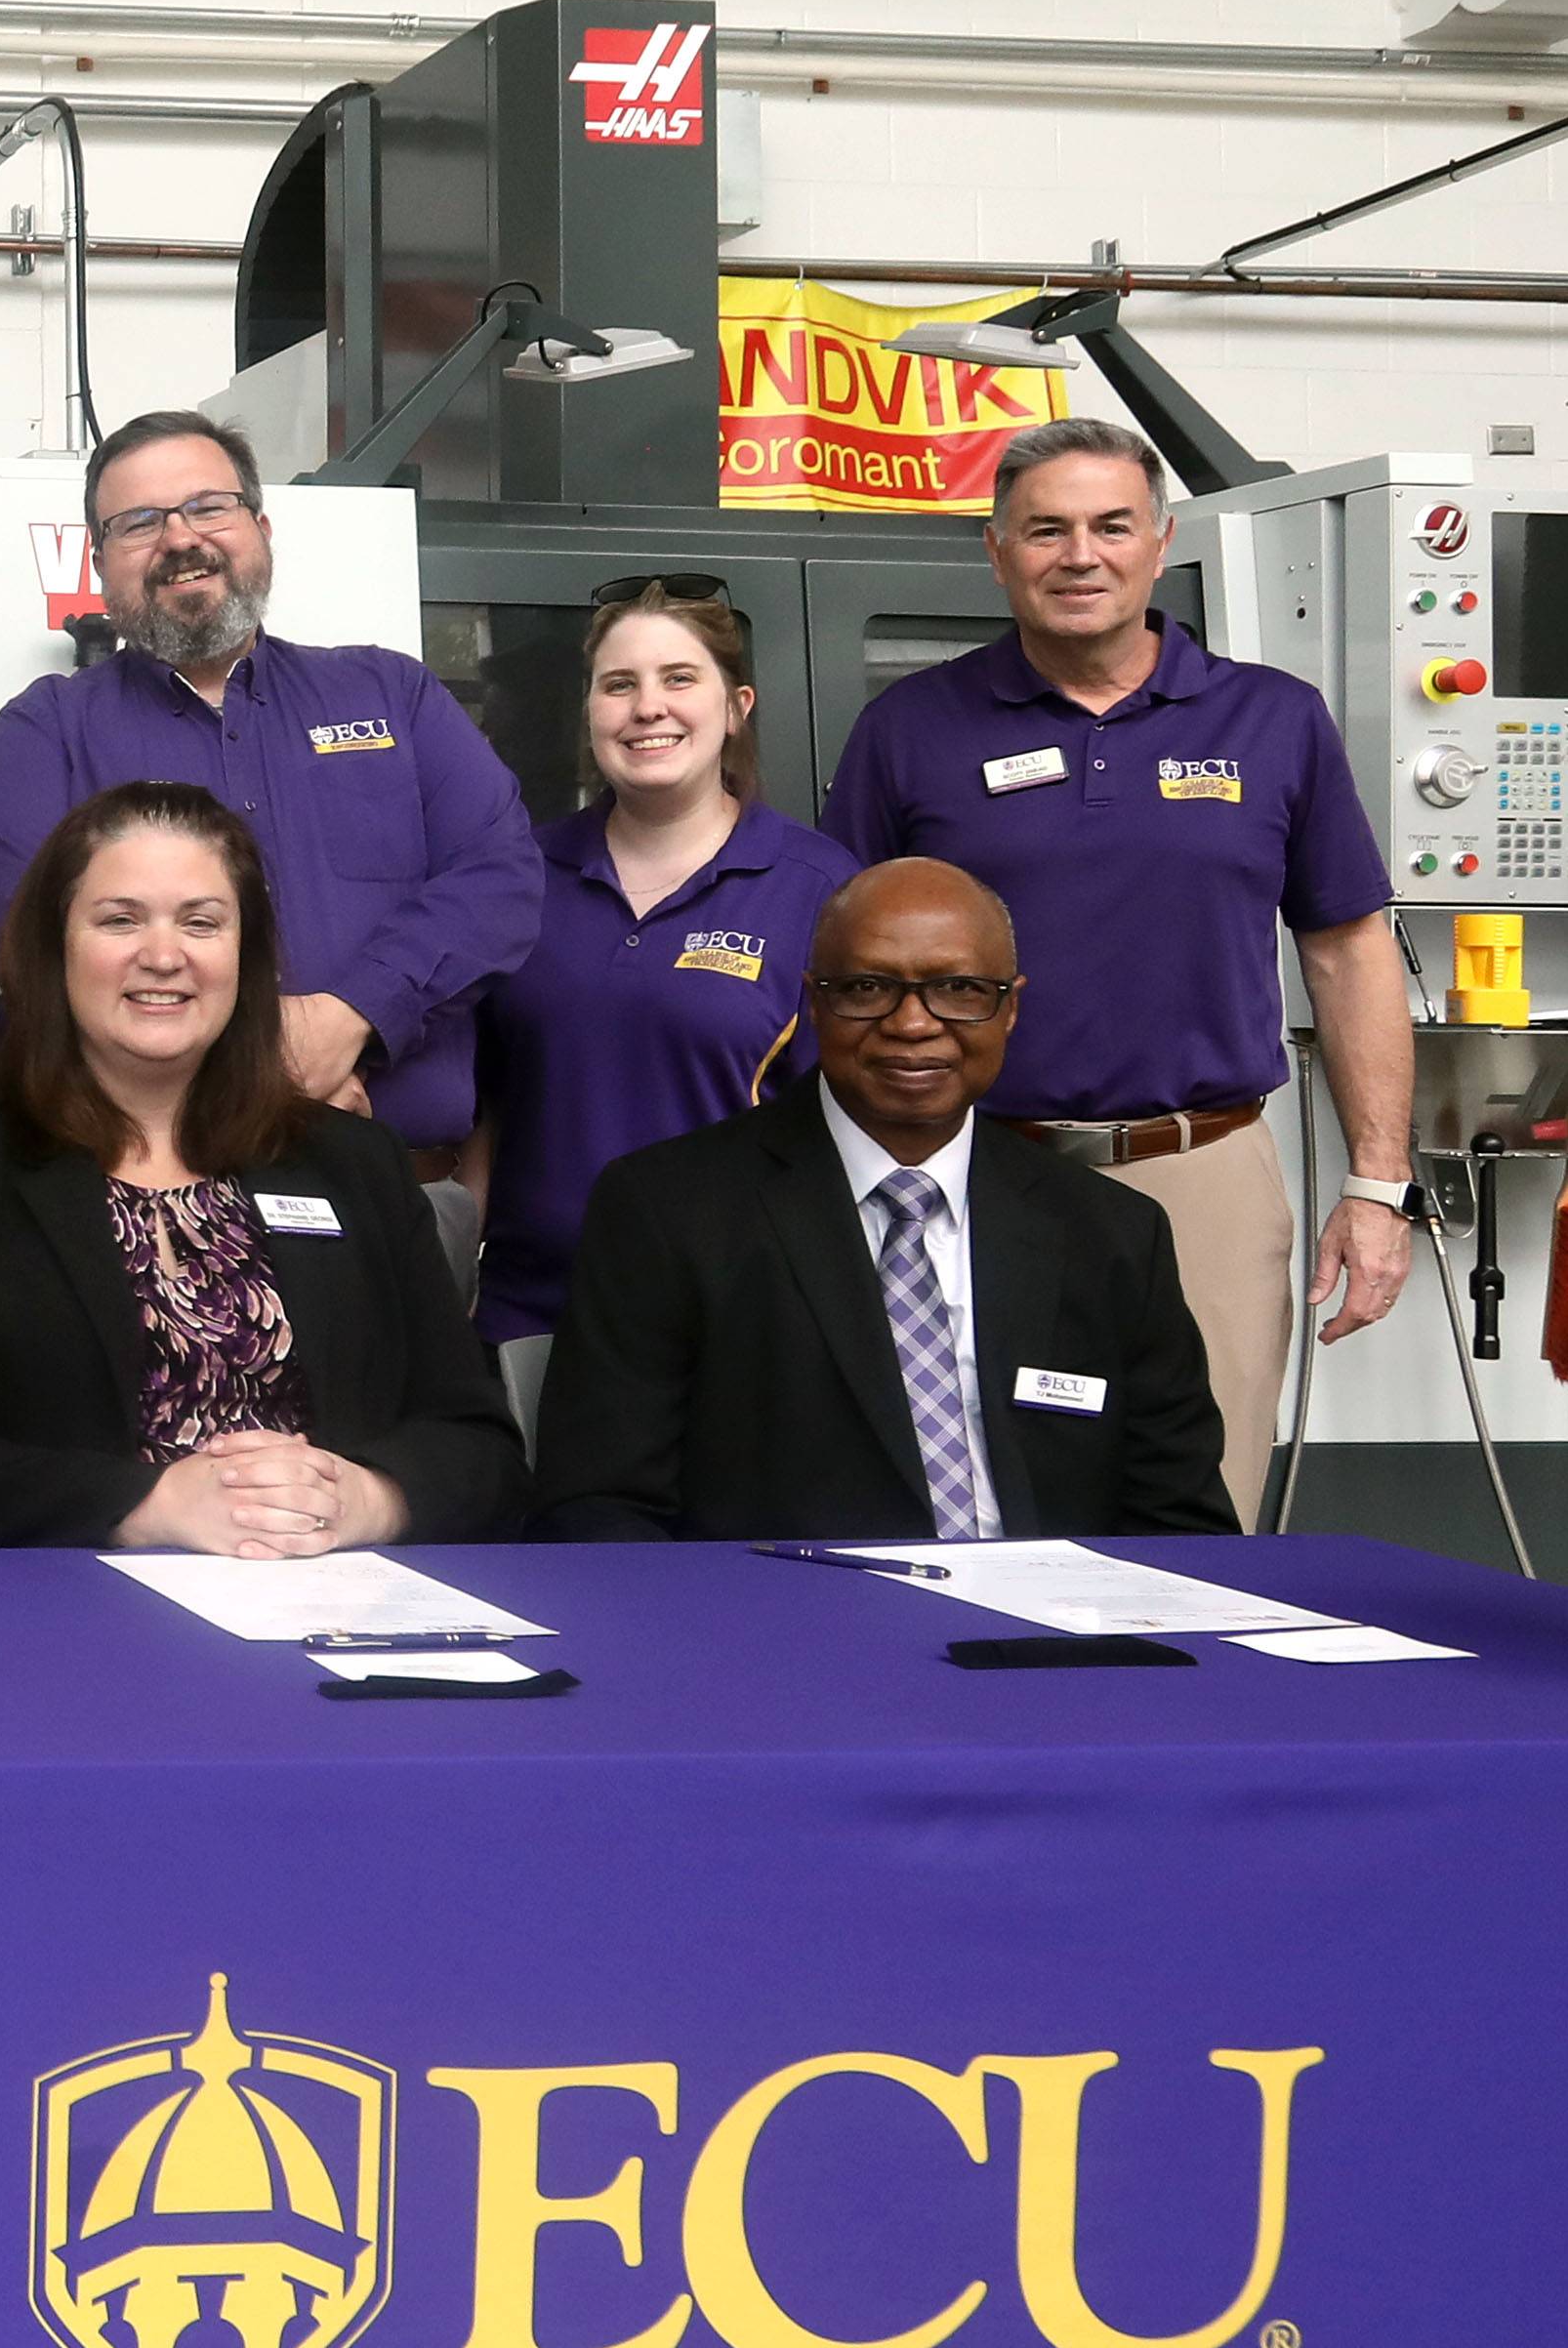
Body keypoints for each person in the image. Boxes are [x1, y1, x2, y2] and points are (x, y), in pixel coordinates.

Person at [817, 414, 1410, 1528]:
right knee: (970, 1496)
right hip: (967, 1174)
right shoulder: (911, 728)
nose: (1079, 555)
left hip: (1203, 1173)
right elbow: (838, 965)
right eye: (1046, 530)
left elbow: (1347, 949)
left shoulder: (1273, 720)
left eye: (1111, 526)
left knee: (1204, 1511)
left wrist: (1379, 1187)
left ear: (1161, 542)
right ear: (998, 552)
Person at [0, 781, 523, 1553]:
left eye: (201, 922)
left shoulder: (355, 1163)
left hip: (329, 1597)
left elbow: (480, 1448)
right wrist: (148, 1506)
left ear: (246, 954)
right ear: (55, 946)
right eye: (120, 920)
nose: (162, 956)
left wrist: (367, 1499)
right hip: (52, 1605)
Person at [532, 858, 1233, 1543]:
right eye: (867, 988)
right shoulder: (667, 1212)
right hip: (785, 1613)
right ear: (814, 1002)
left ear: (1010, 1008)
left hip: (1054, 1615)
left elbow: (1182, 1526)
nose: (912, 1024)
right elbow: (600, 1511)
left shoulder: (1111, 1233)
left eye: (959, 989)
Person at [0, 412, 543, 1183]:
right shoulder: (44, 732)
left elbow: (500, 877)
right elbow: (22, 933)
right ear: (99, 563)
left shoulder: (393, 695)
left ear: (260, 529)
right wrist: (258, 1071)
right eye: (140, 523)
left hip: (395, 1187)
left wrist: (351, 1015)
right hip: (121, 1193)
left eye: (208, 507)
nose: (179, 538)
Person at [469, 587, 855, 1421]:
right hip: (534, 1316)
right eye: (619, 684)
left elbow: (850, 1140)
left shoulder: (822, 891)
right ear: (589, 713)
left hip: (735, 1324)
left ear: (737, 707)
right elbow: (483, 1111)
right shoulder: (519, 878)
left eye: (680, 678)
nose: (649, 707)